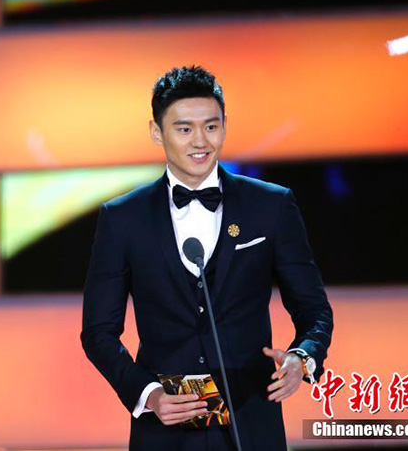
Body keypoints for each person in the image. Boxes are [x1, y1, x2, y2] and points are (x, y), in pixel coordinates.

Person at [81, 66, 333, 450]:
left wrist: (302, 358)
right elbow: (98, 331)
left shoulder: (271, 205)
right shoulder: (123, 218)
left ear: (225, 126)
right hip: (165, 430)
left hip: (252, 421)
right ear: (156, 132)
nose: (200, 141)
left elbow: (314, 310)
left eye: (211, 127)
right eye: (184, 129)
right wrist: (148, 394)